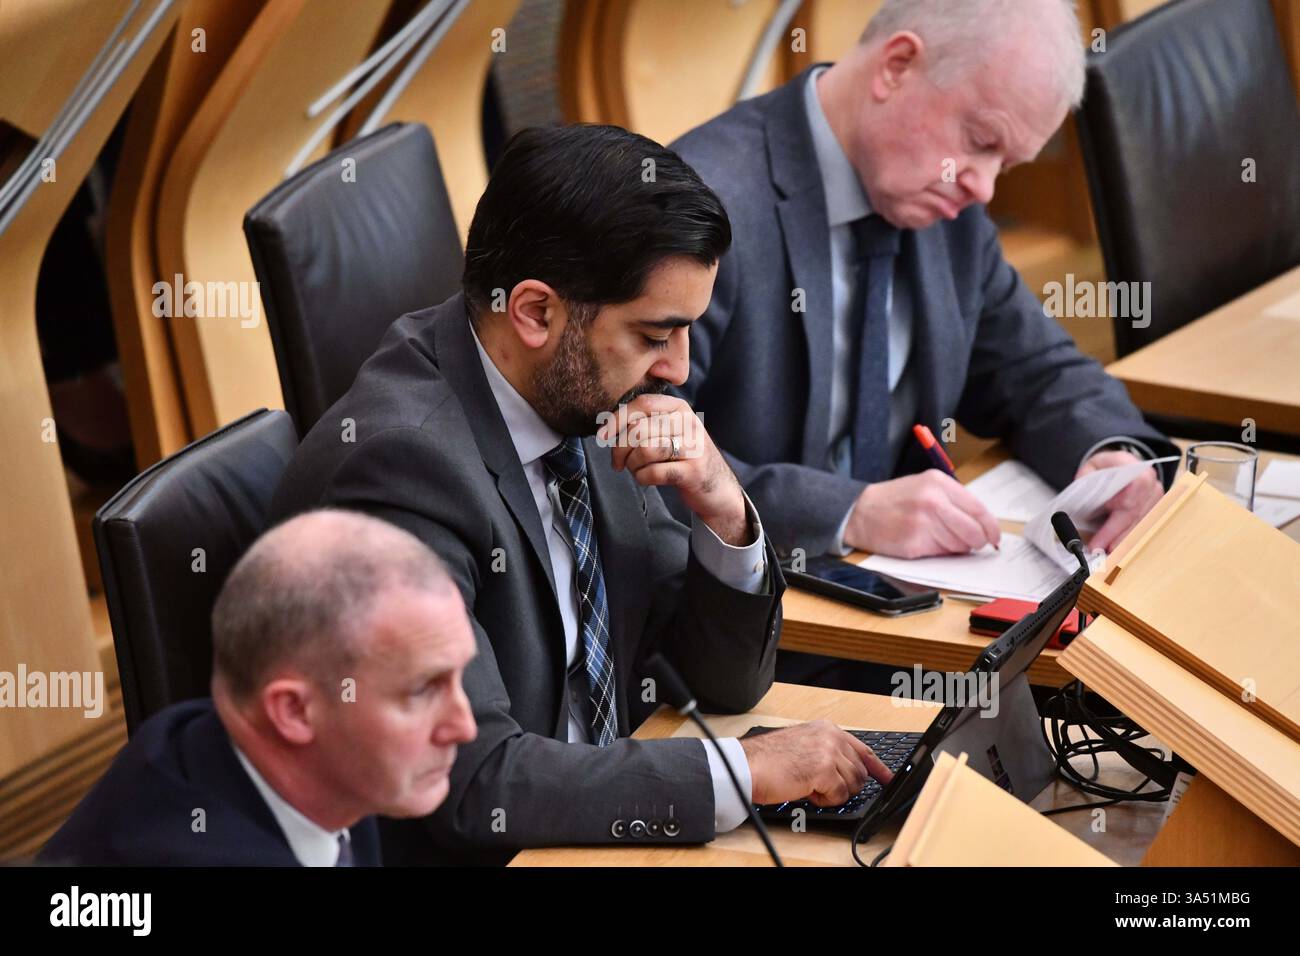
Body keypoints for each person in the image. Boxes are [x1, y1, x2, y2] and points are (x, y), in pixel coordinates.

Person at [270, 124, 892, 864]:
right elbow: (476, 785)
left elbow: (709, 680)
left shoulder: (574, 394)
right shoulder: (399, 468)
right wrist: (743, 771)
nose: (679, 370)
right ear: (536, 313)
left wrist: (726, 514)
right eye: (657, 333)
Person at [669, 0, 1177, 564]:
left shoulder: (948, 210)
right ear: (897, 66)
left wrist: (1109, 456)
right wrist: (848, 511)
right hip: (743, 617)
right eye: (982, 140)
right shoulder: (702, 205)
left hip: (907, 602)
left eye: (1006, 165)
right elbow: (636, 452)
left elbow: (1036, 371)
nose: (985, 188)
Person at [39, 510, 477, 866]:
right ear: (293, 711)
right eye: (422, 691)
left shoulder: (318, 771)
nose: (464, 726)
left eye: (459, 677)